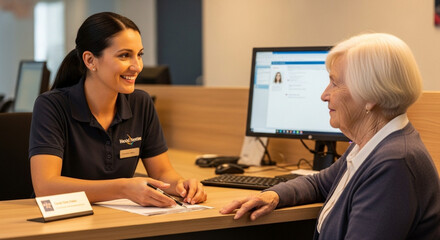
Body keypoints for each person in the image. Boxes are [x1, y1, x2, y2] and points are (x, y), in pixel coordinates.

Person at [220, 33, 440, 239]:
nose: (324, 95)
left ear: (371, 95)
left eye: (334, 83)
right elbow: (319, 183)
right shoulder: (371, 144)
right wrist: (273, 195)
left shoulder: (394, 164)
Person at [29, 12, 207, 207]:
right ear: (90, 61)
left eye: (139, 55)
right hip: (63, 221)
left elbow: (163, 173)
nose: (137, 66)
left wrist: (181, 185)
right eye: (124, 55)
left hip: (118, 218)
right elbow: (45, 186)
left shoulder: (141, 103)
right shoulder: (52, 105)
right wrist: (123, 188)